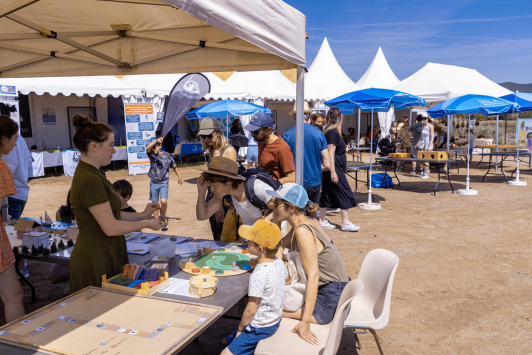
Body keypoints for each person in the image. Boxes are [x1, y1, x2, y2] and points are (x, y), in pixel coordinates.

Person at [69, 115, 163, 293]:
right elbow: (110, 227)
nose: (114, 150)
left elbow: (111, 214)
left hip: (104, 250)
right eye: (111, 145)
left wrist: (142, 215)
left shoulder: (94, 174)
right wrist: (146, 224)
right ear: (94, 146)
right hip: (95, 256)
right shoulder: (90, 179)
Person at [267, 183, 349, 344]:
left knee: (268, 309)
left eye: (277, 203)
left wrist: (305, 322)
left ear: (291, 208)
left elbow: (313, 276)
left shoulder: (302, 230)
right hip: (339, 288)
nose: (272, 207)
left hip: (331, 298)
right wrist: (276, 221)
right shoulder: (306, 221)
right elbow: (279, 245)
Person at [221, 220, 286, 355]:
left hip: (260, 327)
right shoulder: (279, 262)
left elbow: (251, 310)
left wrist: (240, 329)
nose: (247, 242)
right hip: (274, 318)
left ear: (260, 249)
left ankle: (242, 335)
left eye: (249, 241)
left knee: (225, 354)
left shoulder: (259, 274)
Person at [196, 156, 275, 227]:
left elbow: (280, 207)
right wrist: (201, 192)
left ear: (229, 181)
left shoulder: (257, 188)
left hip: (274, 238)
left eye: (215, 185)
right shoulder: (225, 193)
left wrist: (261, 225)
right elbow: (202, 216)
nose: (212, 190)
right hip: (252, 238)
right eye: (211, 185)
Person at [0, 115, 25, 323]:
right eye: (14, 139)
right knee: (13, 296)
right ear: (3, 138)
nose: (15, 144)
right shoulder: (1, 167)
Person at [319, 108, 359, 232]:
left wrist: (346, 150)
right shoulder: (332, 133)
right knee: (344, 192)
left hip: (332, 168)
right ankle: (345, 223)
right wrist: (333, 172)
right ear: (338, 118)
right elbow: (330, 153)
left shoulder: (331, 132)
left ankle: (321, 220)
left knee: (326, 194)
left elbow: (335, 151)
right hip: (334, 169)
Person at [199, 117, 237, 241]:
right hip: (212, 193)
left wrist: (220, 204)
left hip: (224, 198)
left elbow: (230, 181)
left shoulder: (229, 150)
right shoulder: (211, 150)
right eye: (203, 136)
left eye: (209, 136)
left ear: (218, 133)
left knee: (225, 237)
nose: (206, 139)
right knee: (216, 235)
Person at [283, 109, 330, 206]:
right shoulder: (319, 134)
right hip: (314, 181)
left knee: (297, 215)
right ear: (309, 117)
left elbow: (284, 162)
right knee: (312, 214)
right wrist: (314, 168)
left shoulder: (287, 135)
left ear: (294, 117)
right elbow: (327, 164)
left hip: (295, 181)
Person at [244, 112, 295, 184]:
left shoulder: (282, 148)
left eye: (255, 131)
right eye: (251, 131)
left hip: (277, 192)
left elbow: (292, 178)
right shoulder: (260, 141)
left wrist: (272, 182)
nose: (252, 134)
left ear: (268, 130)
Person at [146, 136, 183, 231]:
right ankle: (155, 220)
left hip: (164, 182)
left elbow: (174, 166)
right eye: (152, 146)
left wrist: (179, 176)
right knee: (155, 203)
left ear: (160, 146)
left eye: (155, 146)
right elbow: (147, 148)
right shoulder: (151, 155)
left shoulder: (167, 155)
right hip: (154, 182)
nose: (153, 148)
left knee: (163, 201)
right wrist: (155, 141)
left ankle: (163, 217)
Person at [4, 134, 31, 220]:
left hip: (11, 195)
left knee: (9, 229)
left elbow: (9, 169)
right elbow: (29, 159)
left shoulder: (8, 140)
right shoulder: (20, 138)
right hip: (21, 193)